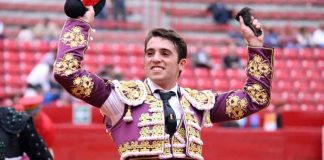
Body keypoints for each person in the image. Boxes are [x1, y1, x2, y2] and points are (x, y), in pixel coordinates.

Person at [54, 6, 274, 159]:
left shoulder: (198, 103)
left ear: (182, 64)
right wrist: (80, 24)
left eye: (164, 53)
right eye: (150, 53)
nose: (155, 58)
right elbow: (67, 72)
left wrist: (256, 45)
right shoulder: (120, 99)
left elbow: (256, 97)